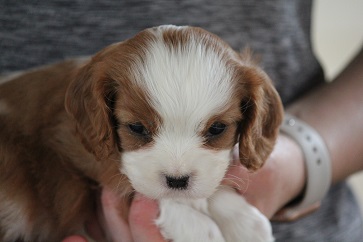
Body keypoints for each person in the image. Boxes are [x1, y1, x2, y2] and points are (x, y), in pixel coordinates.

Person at [1, 1, 362, 241]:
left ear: (251, 116)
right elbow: (73, 143)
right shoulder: (95, 91)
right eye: (139, 130)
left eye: (216, 130)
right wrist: (173, 208)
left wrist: (302, 156)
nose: (177, 169)